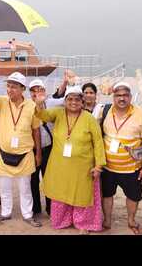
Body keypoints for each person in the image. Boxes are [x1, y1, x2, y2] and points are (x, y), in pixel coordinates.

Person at [34, 86, 106, 234]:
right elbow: (42, 115)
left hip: (83, 166)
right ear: (65, 101)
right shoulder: (58, 113)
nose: (73, 102)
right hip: (60, 165)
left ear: (82, 101)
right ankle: (62, 221)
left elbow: (98, 143)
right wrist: (39, 103)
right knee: (61, 193)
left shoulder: (89, 119)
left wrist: (98, 166)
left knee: (82, 194)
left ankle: (83, 223)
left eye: (77, 99)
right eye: (70, 99)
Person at [0, 70, 43, 227]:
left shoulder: (32, 106)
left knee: (25, 188)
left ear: (23, 88)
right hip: (2, 152)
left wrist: (38, 153)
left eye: (14, 87)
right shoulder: (2, 101)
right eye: (8, 86)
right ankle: (5, 212)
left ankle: (27, 214)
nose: (10, 90)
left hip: (25, 154)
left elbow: (36, 130)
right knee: (4, 187)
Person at [98, 82, 142, 235]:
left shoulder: (141, 114)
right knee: (107, 194)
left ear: (130, 97)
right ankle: (107, 220)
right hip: (107, 167)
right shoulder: (105, 111)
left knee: (133, 196)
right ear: (113, 96)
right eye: (118, 95)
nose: (121, 98)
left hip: (132, 167)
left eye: (125, 95)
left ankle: (131, 220)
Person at [28, 76, 68, 218]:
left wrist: (66, 83)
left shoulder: (51, 103)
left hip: (49, 148)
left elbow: (65, 100)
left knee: (49, 179)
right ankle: (35, 208)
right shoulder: (27, 106)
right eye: (33, 90)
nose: (36, 93)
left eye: (39, 89)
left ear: (44, 91)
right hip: (31, 149)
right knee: (32, 180)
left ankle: (51, 209)